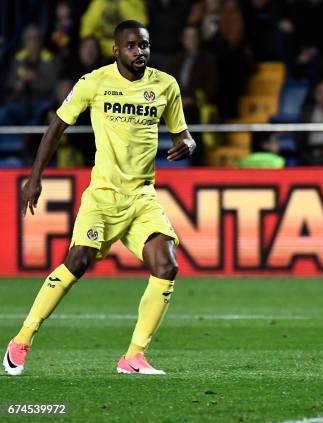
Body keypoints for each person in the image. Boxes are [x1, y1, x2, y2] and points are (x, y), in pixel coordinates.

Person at [3, 20, 196, 377]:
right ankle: (22, 338)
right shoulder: (94, 82)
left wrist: (187, 143)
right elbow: (57, 125)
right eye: (132, 46)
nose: (140, 52)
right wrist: (34, 177)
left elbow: (183, 133)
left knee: (167, 265)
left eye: (145, 45)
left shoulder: (165, 85)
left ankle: (133, 356)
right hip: (103, 196)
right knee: (76, 262)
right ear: (116, 50)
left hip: (142, 196)